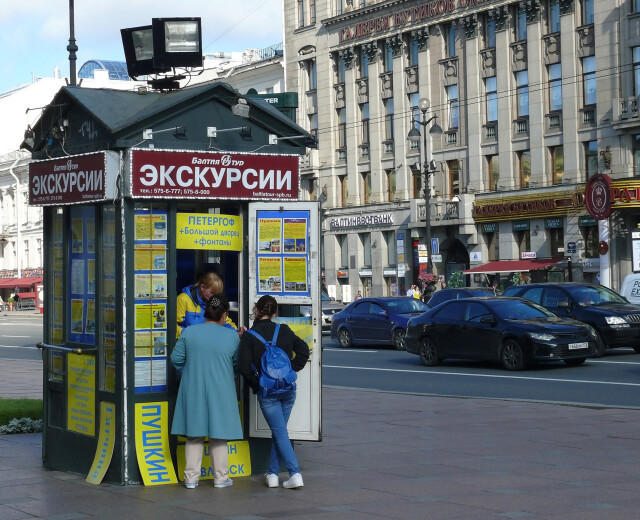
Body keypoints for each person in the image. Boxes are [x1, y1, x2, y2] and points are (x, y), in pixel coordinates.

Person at [170, 294, 243, 489]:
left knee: (194, 434)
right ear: (224, 315)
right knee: (219, 435)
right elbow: (236, 366)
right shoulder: (231, 336)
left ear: (205, 312)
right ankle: (221, 478)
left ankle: (191, 479)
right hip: (222, 389)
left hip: (193, 387)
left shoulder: (190, 332)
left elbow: (176, 360)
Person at [238, 295, 310, 489]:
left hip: (268, 392)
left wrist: (259, 383)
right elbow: (304, 350)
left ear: (256, 310)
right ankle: (272, 473)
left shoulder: (249, 336)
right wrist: (289, 372)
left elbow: (244, 367)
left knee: (279, 432)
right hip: (287, 390)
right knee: (280, 432)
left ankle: (295, 473)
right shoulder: (284, 330)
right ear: (275, 313)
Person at [177, 272, 239, 337]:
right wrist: (191, 336)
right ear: (202, 287)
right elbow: (173, 327)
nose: (215, 297)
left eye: (217, 294)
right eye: (212, 293)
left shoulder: (214, 301)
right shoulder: (183, 299)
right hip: (189, 343)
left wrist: (237, 332)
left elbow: (225, 321)